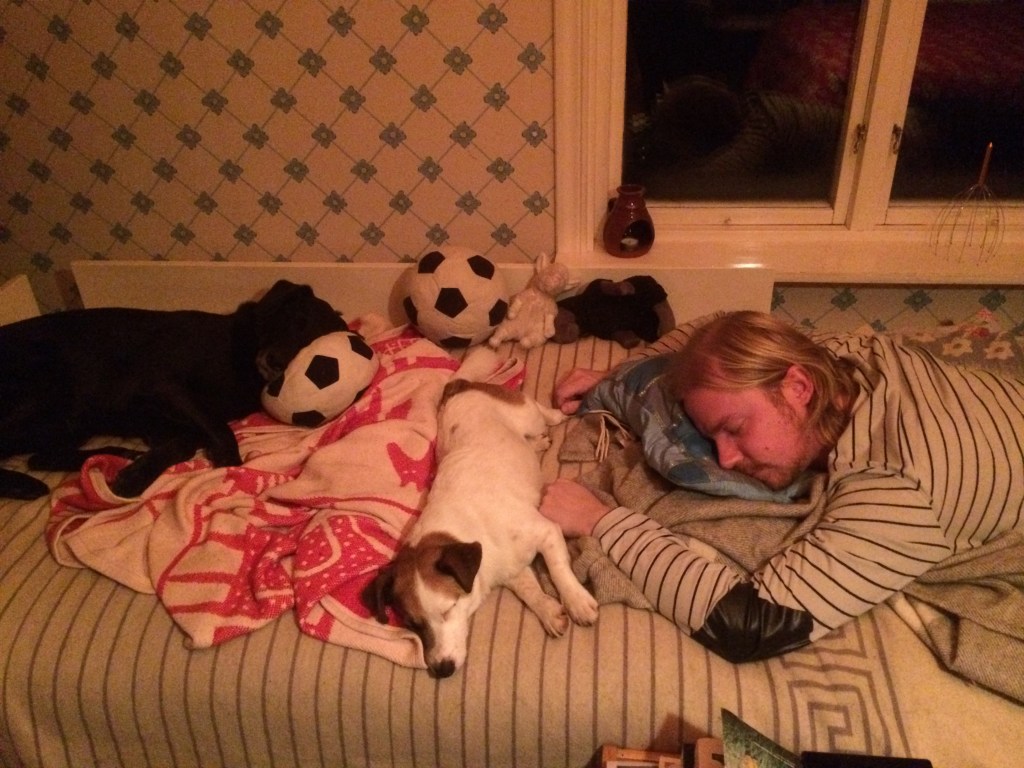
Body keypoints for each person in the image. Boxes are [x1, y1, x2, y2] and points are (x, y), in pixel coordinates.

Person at [540, 310, 1024, 662]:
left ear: (797, 388)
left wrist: (601, 520)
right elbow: (710, 330)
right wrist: (617, 377)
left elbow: (752, 625)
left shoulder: (901, 485)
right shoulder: (846, 356)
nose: (725, 459)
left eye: (734, 428)